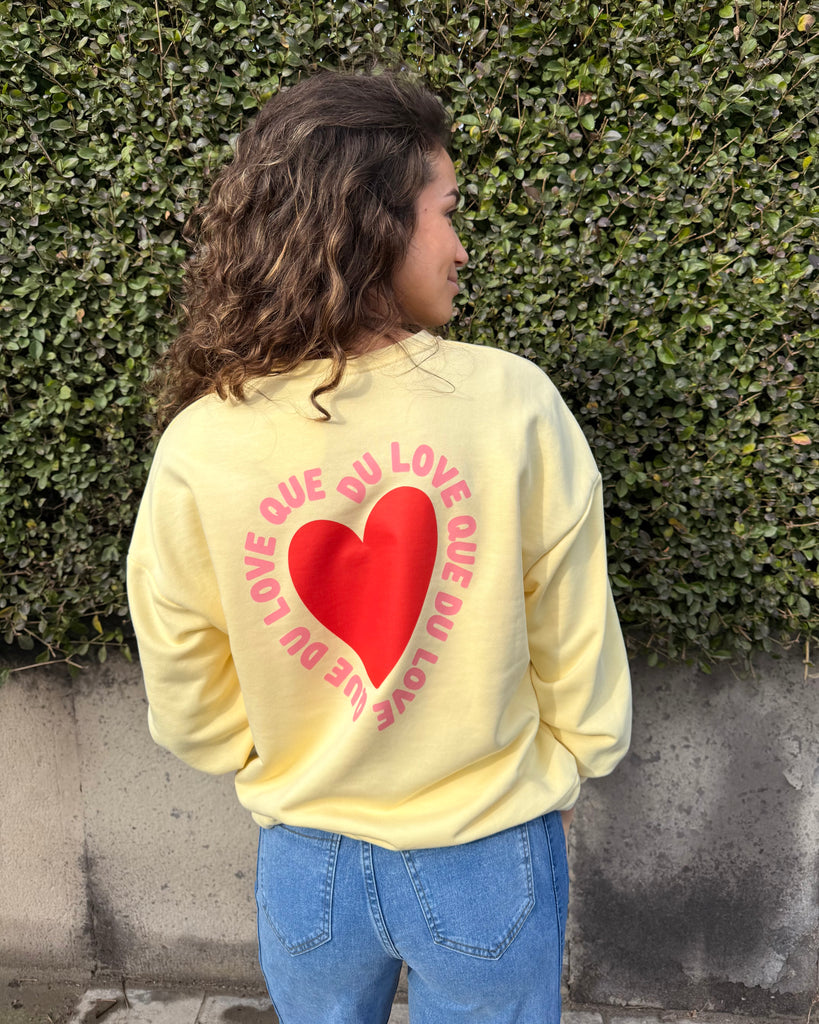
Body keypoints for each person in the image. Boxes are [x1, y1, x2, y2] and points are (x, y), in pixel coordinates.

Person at [127, 68, 631, 1024]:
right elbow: (569, 620)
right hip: (485, 843)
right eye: (447, 213)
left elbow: (181, 655)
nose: (462, 247)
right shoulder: (510, 401)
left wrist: (263, 755)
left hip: (304, 858)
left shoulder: (204, 438)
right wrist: (572, 763)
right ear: (374, 223)